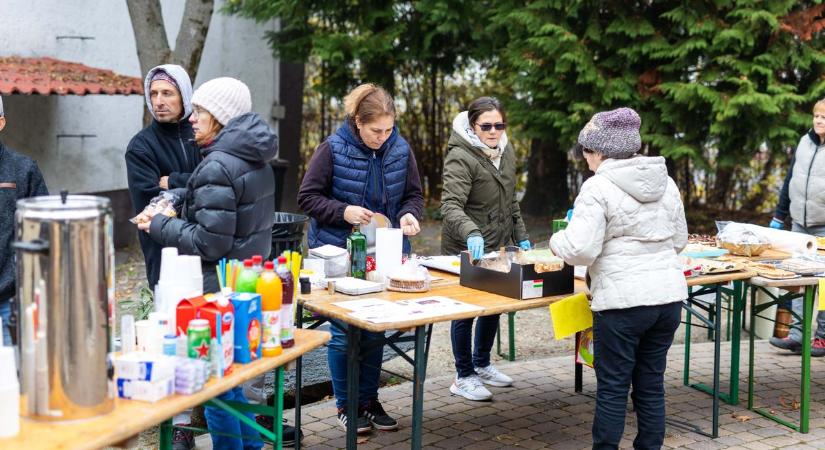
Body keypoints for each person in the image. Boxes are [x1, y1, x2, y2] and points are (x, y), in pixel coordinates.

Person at [137, 77, 276, 450]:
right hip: (244, 285)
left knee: (216, 393)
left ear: (220, 117)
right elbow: (230, 201)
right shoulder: (253, 156)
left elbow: (209, 241)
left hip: (217, 292)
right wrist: (184, 195)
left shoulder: (218, 164)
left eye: (199, 111)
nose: (192, 119)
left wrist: (159, 224)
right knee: (234, 391)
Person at [550, 107, 687, 449]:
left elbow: (580, 250)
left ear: (600, 152)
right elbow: (679, 240)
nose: (584, 159)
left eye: (585, 151)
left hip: (622, 304)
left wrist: (557, 240)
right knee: (651, 384)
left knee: (612, 388)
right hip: (667, 300)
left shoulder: (598, 188)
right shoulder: (666, 182)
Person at [298, 83, 424, 433]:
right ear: (357, 122)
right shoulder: (332, 149)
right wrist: (344, 211)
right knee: (342, 334)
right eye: (375, 130)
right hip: (338, 255)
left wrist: (410, 215)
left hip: (384, 255)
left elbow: (413, 195)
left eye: (388, 129)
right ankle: (345, 406)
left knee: (374, 331)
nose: (382, 137)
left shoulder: (400, 149)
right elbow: (307, 197)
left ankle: (368, 401)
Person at [440, 97, 530, 401]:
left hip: (499, 243)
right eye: (486, 126)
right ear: (472, 126)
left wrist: (521, 235)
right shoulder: (460, 157)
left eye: (499, 125)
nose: (493, 131)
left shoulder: (506, 151)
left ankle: (482, 364)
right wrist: (471, 233)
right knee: (465, 312)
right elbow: (450, 206)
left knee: (495, 305)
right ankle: (463, 376)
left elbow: (511, 201)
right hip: (468, 246)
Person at [126, 64, 200, 289]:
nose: (158, 101)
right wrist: (201, 191)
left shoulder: (202, 135)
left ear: (184, 96)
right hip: (165, 255)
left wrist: (174, 181)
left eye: (167, 93)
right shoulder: (141, 147)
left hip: (208, 246)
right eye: (153, 94)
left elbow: (223, 186)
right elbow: (154, 209)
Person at [768, 98, 825, 357]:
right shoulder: (804, 142)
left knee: (824, 286)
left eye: (824, 117)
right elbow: (791, 179)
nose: (819, 120)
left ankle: (822, 338)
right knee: (798, 278)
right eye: (816, 116)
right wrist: (780, 216)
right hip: (800, 225)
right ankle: (798, 335)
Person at [0, 95, 49, 346]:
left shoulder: (23, 169)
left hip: (13, 298)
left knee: (16, 372)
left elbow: (44, 230)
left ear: (1, 123)